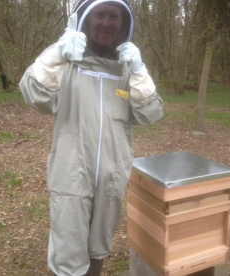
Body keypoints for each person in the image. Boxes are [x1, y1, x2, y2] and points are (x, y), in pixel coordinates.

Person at [19, 0, 163, 275]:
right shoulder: (66, 65)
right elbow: (34, 95)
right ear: (86, 19)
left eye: (114, 16)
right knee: (69, 248)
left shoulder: (126, 71)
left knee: (98, 245)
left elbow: (150, 113)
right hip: (71, 174)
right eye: (100, 15)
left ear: (124, 24)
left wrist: (139, 71)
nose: (106, 23)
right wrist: (57, 54)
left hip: (112, 176)